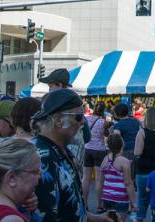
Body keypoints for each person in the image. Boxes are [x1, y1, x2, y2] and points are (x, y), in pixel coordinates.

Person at [31, 88, 110, 222]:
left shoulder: (61, 150)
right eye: (78, 116)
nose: (83, 122)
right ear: (58, 120)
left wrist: (96, 219)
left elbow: (70, 209)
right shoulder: (41, 158)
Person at [133, 107, 155, 221]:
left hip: (144, 170)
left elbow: (137, 152)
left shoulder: (142, 132)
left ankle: (139, 218)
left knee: (142, 199)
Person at [98, 134, 135, 220]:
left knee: (110, 220)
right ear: (122, 145)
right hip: (120, 198)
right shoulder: (124, 161)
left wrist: (100, 200)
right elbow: (128, 183)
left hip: (107, 197)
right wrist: (133, 202)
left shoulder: (105, 159)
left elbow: (100, 181)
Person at [83, 103, 108, 209]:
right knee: (99, 179)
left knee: (86, 178)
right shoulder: (104, 122)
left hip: (87, 149)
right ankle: (99, 204)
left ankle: (85, 204)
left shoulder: (87, 119)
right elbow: (106, 135)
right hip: (99, 150)